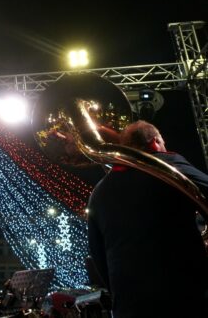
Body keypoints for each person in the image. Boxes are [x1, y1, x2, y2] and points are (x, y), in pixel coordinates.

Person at [88, 120, 208, 317]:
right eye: (163, 143)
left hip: (128, 303)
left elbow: (97, 254)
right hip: (181, 295)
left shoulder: (99, 191)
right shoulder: (165, 164)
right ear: (155, 143)